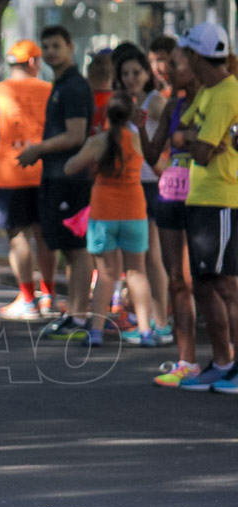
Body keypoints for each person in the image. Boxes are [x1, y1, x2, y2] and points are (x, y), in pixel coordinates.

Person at [19, 25, 95, 341]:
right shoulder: (61, 84)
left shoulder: (75, 86)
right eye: (46, 47)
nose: (50, 52)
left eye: (56, 46)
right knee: (66, 247)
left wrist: (38, 149)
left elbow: (76, 135)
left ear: (70, 47)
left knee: (76, 249)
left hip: (71, 178)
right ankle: (72, 313)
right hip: (56, 176)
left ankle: (79, 317)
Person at [174, 23, 238, 392]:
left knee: (226, 284)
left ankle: (234, 362)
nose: (184, 61)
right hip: (200, 197)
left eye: (186, 55)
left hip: (222, 198)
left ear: (198, 57)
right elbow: (180, 132)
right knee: (204, 283)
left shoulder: (227, 94)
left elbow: (195, 147)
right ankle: (222, 361)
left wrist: (196, 140)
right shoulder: (208, 91)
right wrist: (198, 140)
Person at [65, 92, 156, 347]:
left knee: (105, 274)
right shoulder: (137, 140)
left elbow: (70, 167)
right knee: (137, 271)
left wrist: (90, 150)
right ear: (131, 115)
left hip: (104, 213)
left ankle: (95, 332)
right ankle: (146, 331)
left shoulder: (98, 141)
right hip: (134, 211)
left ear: (107, 115)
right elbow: (157, 163)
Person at [141, 44, 202, 385]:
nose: (166, 70)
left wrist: (191, 137)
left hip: (208, 196)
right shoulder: (172, 105)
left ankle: (224, 359)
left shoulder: (217, 99)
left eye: (174, 64)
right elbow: (153, 154)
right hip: (172, 192)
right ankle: (186, 360)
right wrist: (142, 129)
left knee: (209, 283)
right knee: (177, 279)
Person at [0, 39, 56, 320]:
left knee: (18, 235)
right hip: (45, 170)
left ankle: (28, 298)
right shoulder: (49, 90)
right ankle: (49, 295)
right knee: (45, 236)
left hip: (10, 172)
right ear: (33, 63)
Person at [117, 50, 171, 343]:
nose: (130, 79)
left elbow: (174, 131)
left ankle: (160, 323)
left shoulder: (156, 101)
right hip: (133, 186)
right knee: (141, 258)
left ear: (147, 75)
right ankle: (150, 321)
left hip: (153, 185)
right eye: (125, 74)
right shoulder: (129, 105)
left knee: (152, 257)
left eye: (136, 73)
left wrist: (168, 165)